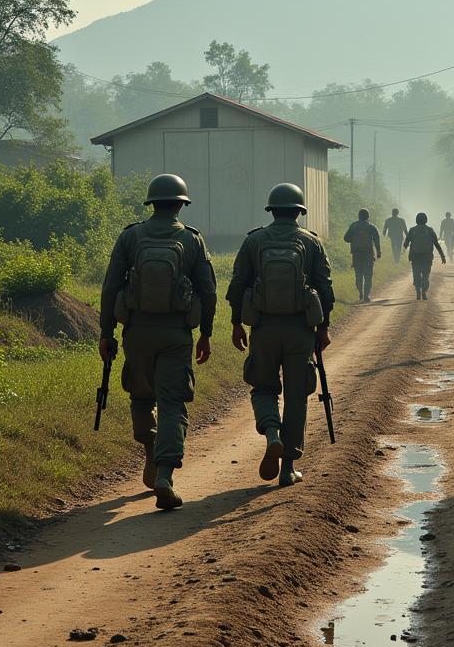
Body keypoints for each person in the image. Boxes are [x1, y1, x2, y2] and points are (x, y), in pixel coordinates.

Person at [99, 173, 217, 511]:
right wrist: (206, 334)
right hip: (176, 336)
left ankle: (150, 446)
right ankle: (164, 473)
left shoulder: (131, 236)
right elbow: (207, 291)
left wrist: (106, 334)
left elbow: (109, 288)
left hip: (136, 332)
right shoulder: (193, 240)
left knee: (140, 395)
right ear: (181, 204)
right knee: (172, 404)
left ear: (151, 203)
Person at [226, 183, 334, 488]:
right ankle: (287, 467)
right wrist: (323, 328)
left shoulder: (255, 240)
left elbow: (237, 286)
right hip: (301, 330)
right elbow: (325, 288)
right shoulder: (311, 242)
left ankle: (272, 434)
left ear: (271, 210)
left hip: (263, 329)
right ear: (300, 211)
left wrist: (236, 324)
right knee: (297, 397)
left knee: (263, 389)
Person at [403, 211, 446, 300]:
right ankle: (423, 292)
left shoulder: (412, 230)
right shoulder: (430, 230)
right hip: (427, 257)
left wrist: (406, 247)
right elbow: (436, 244)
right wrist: (442, 256)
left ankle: (418, 292)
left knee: (416, 274)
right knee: (425, 275)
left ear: (416, 220)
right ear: (426, 220)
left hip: (415, 257)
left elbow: (405, 244)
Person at [343, 208, 381, 302]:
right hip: (368, 254)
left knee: (358, 275)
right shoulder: (371, 227)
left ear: (359, 216)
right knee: (368, 275)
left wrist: (354, 238)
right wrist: (378, 252)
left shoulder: (354, 226)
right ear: (368, 216)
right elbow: (376, 239)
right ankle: (367, 295)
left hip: (356, 254)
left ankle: (360, 293)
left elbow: (346, 238)